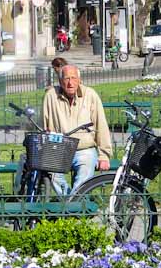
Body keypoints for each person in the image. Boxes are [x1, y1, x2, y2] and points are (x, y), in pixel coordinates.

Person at [42, 65, 112, 194]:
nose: (70, 83)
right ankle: (71, 203)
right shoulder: (51, 95)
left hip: (84, 149)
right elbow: (44, 125)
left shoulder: (90, 95)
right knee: (51, 172)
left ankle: (73, 204)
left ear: (79, 80)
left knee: (85, 173)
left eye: (74, 78)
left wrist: (104, 155)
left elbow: (101, 124)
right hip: (59, 148)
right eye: (67, 78)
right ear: (60, 81)